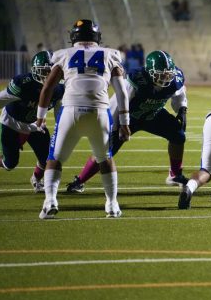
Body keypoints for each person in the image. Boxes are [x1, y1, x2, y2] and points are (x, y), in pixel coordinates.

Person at [35, 19, 130, 219]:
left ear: (74, 36)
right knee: (105, 159)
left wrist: (40, 117)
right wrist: (125, 122)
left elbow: (47, 88)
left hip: (70, 111)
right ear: (97, 37)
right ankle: (112, 205)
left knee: (55, 158)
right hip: (99, 112)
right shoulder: (111, 54)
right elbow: (121, 91)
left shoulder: (63, 55)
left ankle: (50, 201)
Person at [65, 50, 188, 193]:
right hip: (128, 118)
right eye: (161, 74)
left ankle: (175, 175)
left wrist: (182, 110)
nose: (165, 78)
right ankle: (79, 181)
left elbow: (180, 93)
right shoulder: (136, 79)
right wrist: (116, 126)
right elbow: (119, 103)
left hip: (152, 114)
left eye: (168, 74)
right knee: (106, 150)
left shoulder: (175, 79)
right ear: (149, 72)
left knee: (178, 135)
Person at [0, 51, 64, 192]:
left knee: (47, 158)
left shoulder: (59, 89)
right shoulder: (23, 84)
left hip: (36, 125)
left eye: (51, 71)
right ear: (35, 70)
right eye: (45, 71)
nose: (48, 76)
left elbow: (60, 113)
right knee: (9, 164)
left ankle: (36, 179)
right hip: (12, 123)